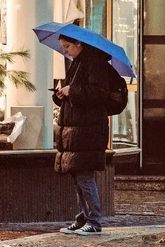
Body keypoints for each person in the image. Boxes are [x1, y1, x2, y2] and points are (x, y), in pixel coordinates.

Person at [52, 34, 112, 236]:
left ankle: (94, 221)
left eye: (67, 46)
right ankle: (83, 218)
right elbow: (75, 93)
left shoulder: (95, 63)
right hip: (76, 129)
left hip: (88, 129)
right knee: (78, 176)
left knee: (85, 176)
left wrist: (73, 90)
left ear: (79, 43)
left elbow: (99, 93)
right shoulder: (77, 63)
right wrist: (61, 94)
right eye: (63, 47)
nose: (65, 50)